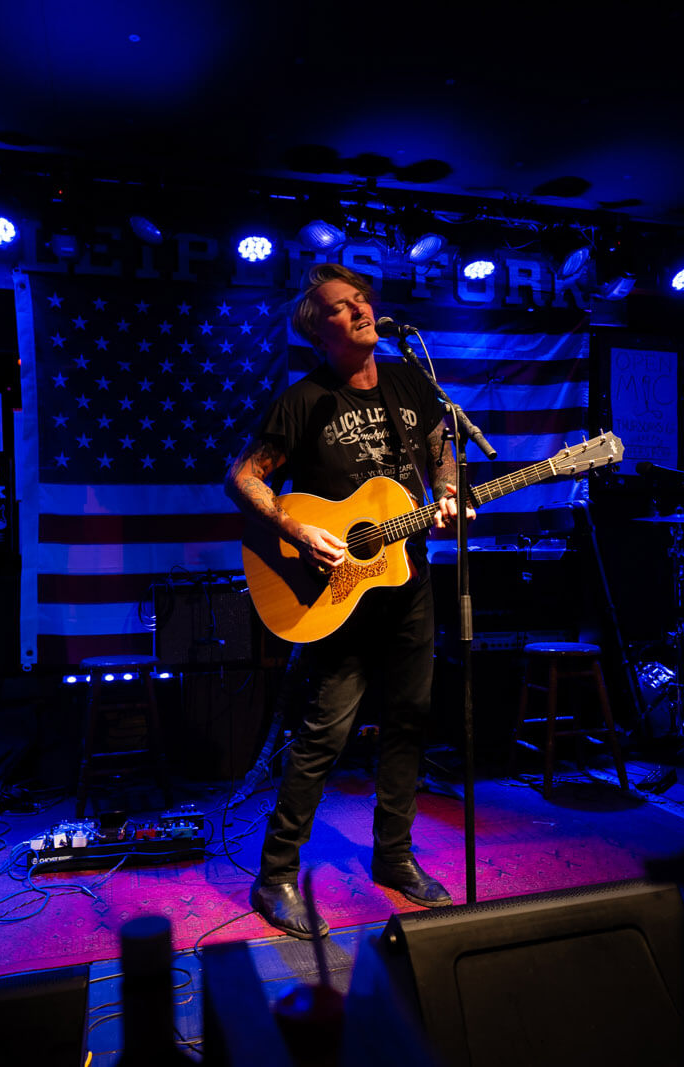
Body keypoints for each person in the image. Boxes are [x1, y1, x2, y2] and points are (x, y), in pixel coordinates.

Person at [224, 263, 472, 939]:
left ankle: (393, 856)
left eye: (362, 298)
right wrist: (294, 527)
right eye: (342, 306)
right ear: (319, 330)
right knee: (325, 732)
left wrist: (446, 491)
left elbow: (438, 449)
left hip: (408, 578)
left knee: (411, 717)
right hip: (335, 590)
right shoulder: (303, 399)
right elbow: (243, 476)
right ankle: (274, 873)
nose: (361, 309)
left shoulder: (407, 380)